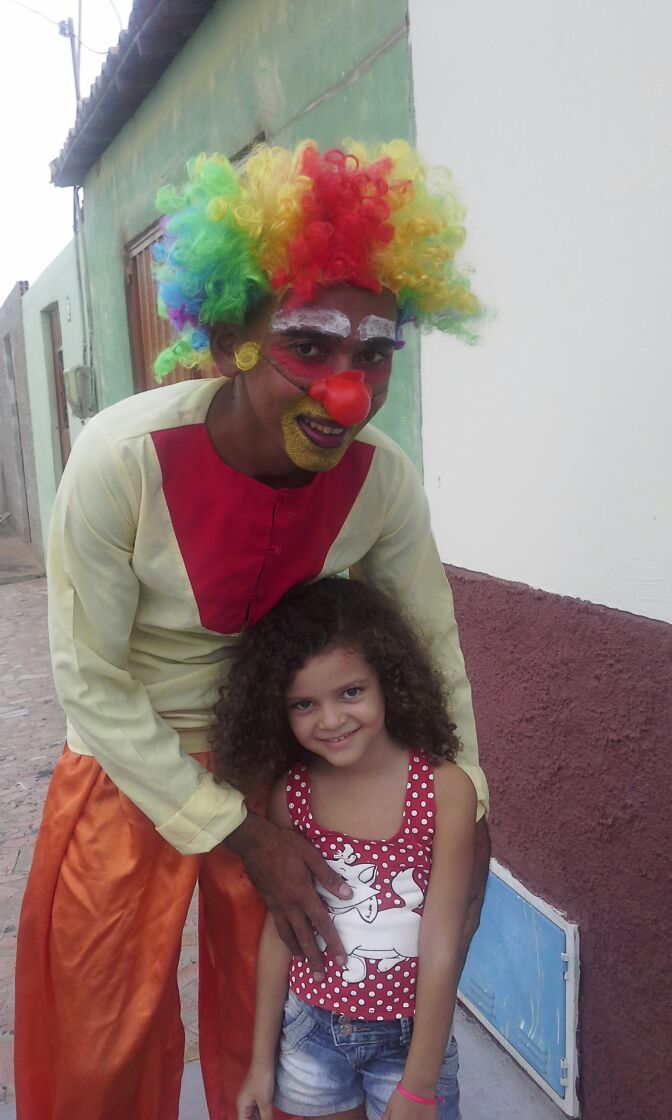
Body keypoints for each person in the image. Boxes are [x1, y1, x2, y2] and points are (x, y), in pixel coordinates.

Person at [14, 140, 489, 1120]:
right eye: (309, 347)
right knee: (102, 1038)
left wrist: (469, 799)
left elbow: (431, 642)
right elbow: (88, 678)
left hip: (270, 761)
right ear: (234, 336)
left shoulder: (383, 479)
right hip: (123, 763)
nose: (347, 391)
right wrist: (235, 833)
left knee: (269, 1025)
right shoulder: (120, 459)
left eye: (374, 356)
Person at [212, 577, 476, 1120]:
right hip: (311, 1034)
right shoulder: (292, 795)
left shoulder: (445, 790)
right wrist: (261, 1064)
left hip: (412, 1043)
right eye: (303, 703)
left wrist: (420, 1083)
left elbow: (443, 940)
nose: (330, 720)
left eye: (351, 692)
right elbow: (281, 932)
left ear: (389, 681)